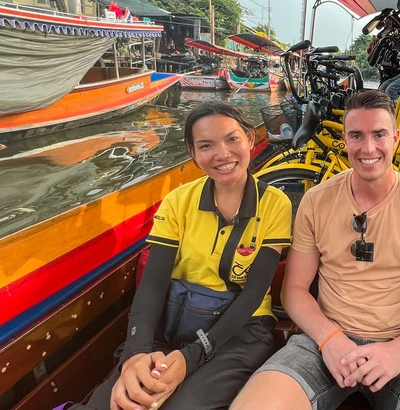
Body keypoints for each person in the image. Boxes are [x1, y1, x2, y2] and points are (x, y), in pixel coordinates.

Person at [232, 89, 400, 410]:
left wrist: (399, 351)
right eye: (357, 135)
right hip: (322, 344)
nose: (368, 148)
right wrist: (330, 339)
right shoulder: (316, 201)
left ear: (396, 138)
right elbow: (295, 290)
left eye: (379, 134)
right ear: (345, 139)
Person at [74, 101, 292, 410]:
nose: (223, 154)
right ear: (193, 153)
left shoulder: (275, 204)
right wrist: (136, 352)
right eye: (206, 145)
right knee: (114, 402)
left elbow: (254, 292)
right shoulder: (178, 202)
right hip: (177, 319)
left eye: (232, 139)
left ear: (250, 140)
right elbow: (153, 285)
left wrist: (192, 357)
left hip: (241, 329)